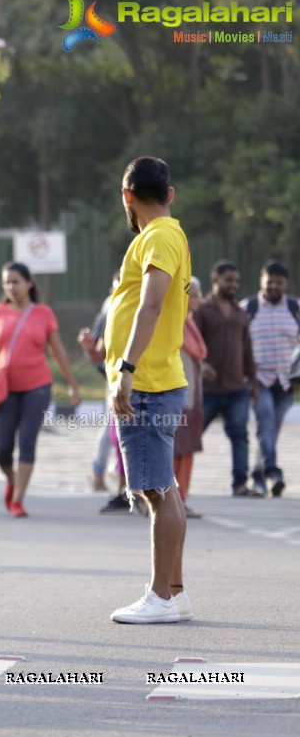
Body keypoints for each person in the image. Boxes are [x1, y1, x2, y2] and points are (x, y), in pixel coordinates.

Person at [105, 156, 193, 625]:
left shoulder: (158, 236)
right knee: (166, 488)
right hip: (157, 378)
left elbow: (153, 304)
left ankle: (159, 597)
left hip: (149, 383)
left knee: (157, 491)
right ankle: (173, 593)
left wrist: (126, 369)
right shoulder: (164, 236)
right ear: (170, 193)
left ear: (127, 196)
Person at [0, 262, 83, 517]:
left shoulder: (43, 313)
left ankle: (17, 500)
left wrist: (73, 385)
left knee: (27, 440)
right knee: (2, 449)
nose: (10, 287)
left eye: (15, 281)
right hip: (5, 389)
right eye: (6, 282)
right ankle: (13, 479)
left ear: (29, 283)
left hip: (37, 386)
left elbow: (58, 352)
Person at [193, 262, 258, 496]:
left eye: (236, 281)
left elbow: (248, 350)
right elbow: (190, 344)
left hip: (236, 387)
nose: (233, 285)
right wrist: (201, 365)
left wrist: (253, 382)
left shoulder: (241, 313)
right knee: (190, 434)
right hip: (208, 389)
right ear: (215, 278)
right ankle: (171, 484)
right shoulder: (201, 309)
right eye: (228, 280)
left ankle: (240, 484)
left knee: (240, 435)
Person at [241, 261, 299, 497]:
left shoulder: (295, 308)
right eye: (270, 282)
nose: (274, 286)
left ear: (285, 284)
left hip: (286, 381)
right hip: (258, 380)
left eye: (279, 282)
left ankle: (258, 475)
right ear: (261, 282)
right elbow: (237, 343)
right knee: (265, 423)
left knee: (270, 431)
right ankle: (273, 472)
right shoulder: (249, 307)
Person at [78, 271, 121, 494]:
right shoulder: (111, 305)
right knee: (113, 424)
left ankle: (117, 472)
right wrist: (92, 351)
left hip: (147, 373)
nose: (118, 291)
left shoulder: (147, 301)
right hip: (118, 375)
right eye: (115, 287)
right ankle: (99, 473)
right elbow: (97, 347)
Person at [174, 277, 206, 518]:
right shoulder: (173, 324)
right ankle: (173, 500)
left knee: (186, 451)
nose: (200, 299)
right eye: (196, 294)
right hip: (177, 400)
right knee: (176, 451)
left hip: (191, 399)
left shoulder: (188, 323)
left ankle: (180, 498)